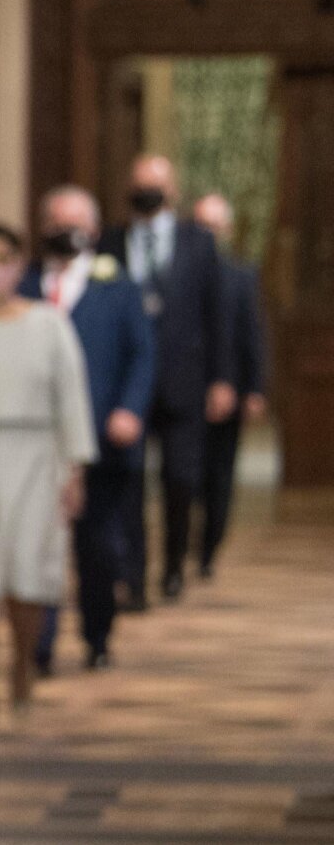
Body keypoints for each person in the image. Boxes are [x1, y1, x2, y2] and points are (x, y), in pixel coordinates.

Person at [0, 224, 95, 741]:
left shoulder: (48, 323)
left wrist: (74, 466)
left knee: (29, 578)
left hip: (35, 459)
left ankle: (22, 665)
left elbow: (71, 396)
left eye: (2, 258)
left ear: (18, 266)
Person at [26, 184, 156, 674]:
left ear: (96, 231)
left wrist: (130, 409)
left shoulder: (116, 287)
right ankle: (38, 644)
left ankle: (97, 635)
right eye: (58, 222)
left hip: (103, 441)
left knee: (97, 547)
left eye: (77, 222)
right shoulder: (24, 284)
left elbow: (141, 354)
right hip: (38, 444)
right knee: (39, 548)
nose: (67, 231)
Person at [100, 154, 232, 607]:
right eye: (139, 184)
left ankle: (174, 564)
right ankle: (132, 578)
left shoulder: (198, 242)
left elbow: (218, 317)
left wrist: (222, 379)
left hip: (184, 381)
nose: (147, 192)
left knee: (180, 480)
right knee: (128, 484)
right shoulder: (111, 242)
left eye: (155, 184)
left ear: (173, 190)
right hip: (128, 386)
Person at [192, 192, 269, 579]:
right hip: (185, 389)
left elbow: (251, 334)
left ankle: (208, 550)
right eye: (202, 226)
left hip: (229, 390)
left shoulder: (239, 276)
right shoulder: (177, 274)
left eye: (215, 226)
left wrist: (255, 388)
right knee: (185, 475)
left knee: (220, 475)